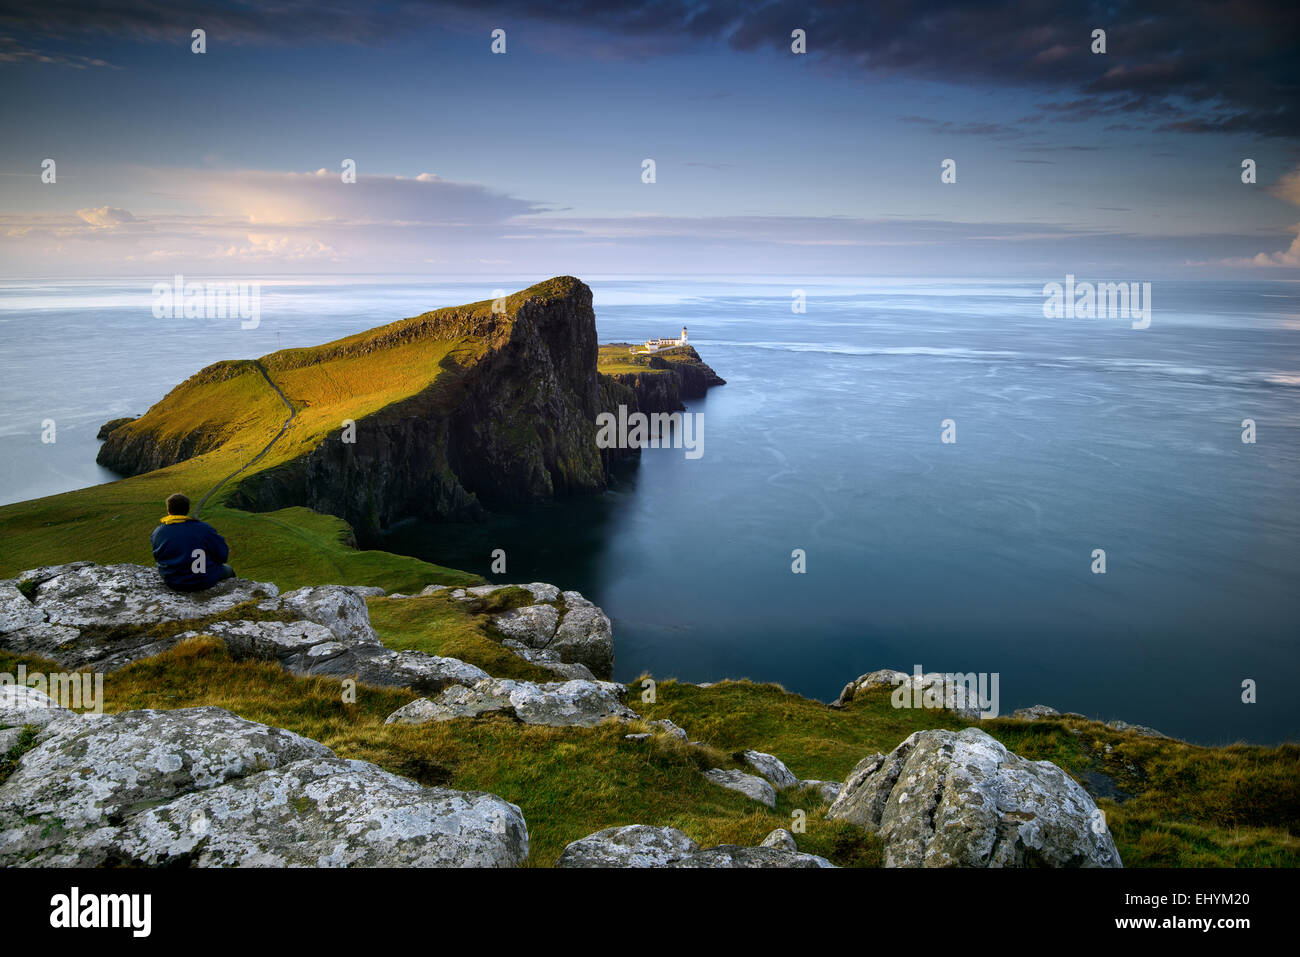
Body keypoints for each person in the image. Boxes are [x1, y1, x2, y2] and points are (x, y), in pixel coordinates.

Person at [151, 493, 235, 591]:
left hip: (172, 581)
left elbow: (158, 558)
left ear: (168, 510)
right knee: (228, 570)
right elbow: (222, 556)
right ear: (188, 509)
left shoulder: (158, 532)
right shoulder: (204, 529)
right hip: (203, 580)